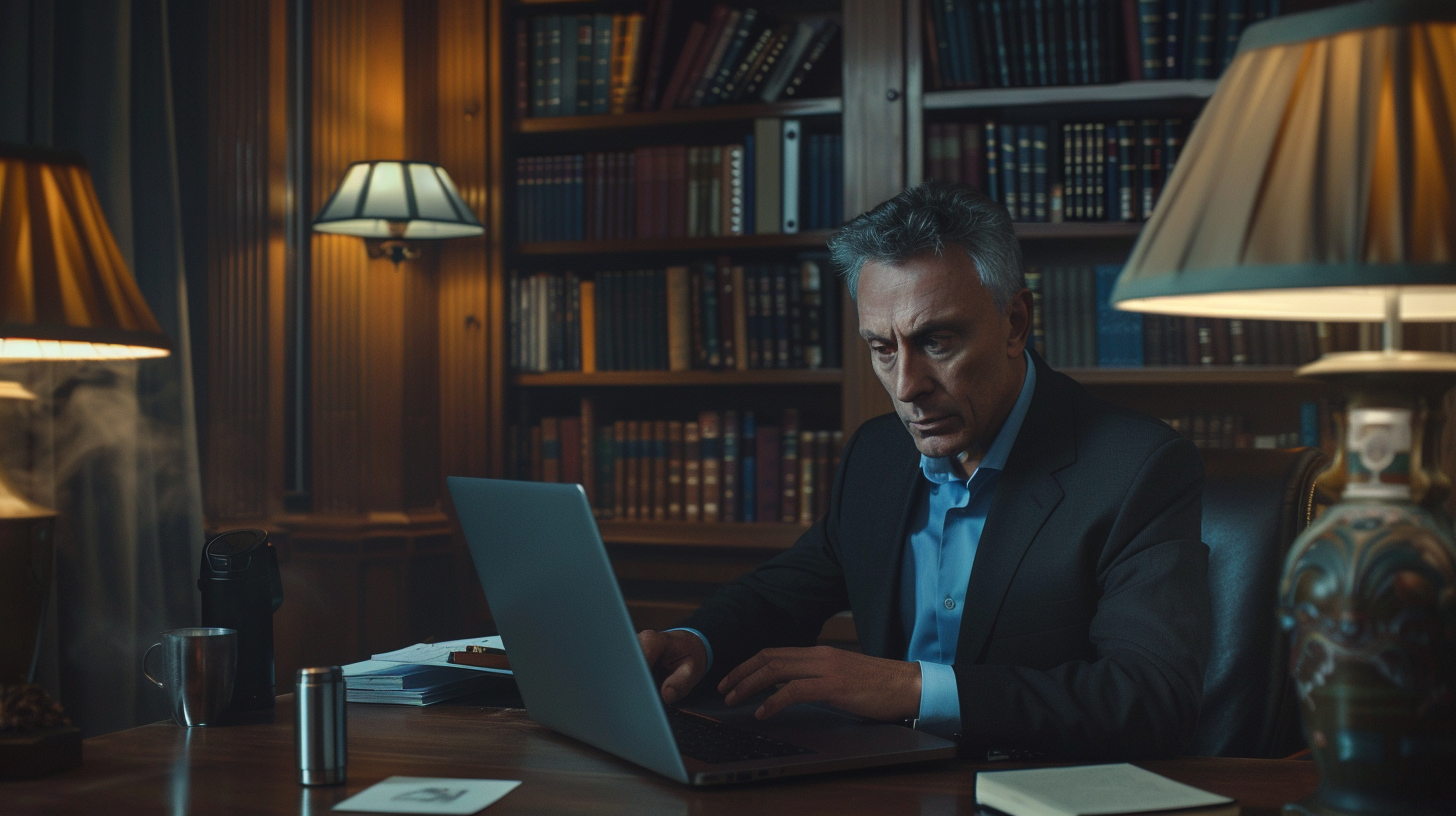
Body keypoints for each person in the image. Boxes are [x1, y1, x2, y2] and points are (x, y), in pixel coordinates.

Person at [637, 182, 1210, 759]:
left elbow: (1152, 697)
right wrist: (695, 643)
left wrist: (910, 688)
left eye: (935, 341)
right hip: (884, 784)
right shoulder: (877, 454)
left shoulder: (1137, 468)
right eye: (882, 349)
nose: (907, 387)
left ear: (1014, 323)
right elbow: (781, 596)